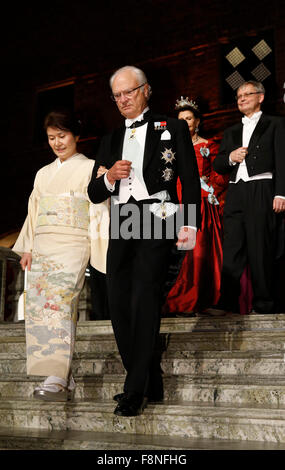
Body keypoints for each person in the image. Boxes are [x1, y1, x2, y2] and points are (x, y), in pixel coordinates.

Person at [88, 65, 201, 416]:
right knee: (117, 300)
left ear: (146, 91)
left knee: (145, 297)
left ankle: (133, 389)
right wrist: (108, 178)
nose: (123, 100)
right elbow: (93, 193)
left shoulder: (173, 127)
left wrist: (190, 224)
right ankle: (147, 378)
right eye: (117, 95)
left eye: (129, 92)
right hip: (123, 219)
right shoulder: (109, 140)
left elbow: (190, 179)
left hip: (159, 214)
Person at [13, 109, 109, 401]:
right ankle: (57, 374)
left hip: (73, 242)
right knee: (42, 303)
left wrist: (100, 245)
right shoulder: (43, 173)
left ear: (76, 135)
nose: (57, 142)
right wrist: (28, 246)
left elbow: (99, 207)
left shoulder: (92, 167)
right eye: (51, 137)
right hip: (44, 244)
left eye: (62, 135)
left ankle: (57, 375)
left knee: (61, 300)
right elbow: (34, 212)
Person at [213, 80, 285, 314]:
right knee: (232, 247)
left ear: (261, 97)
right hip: (236, 191)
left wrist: (281, 192)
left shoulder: (275, 124)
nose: (241, 99)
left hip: (262, 188)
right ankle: (228, 303)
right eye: (238, 96)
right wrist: (231, 157)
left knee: (260, 247)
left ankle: (264, 303)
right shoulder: (231, 131)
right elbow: (219, 164)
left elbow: (282, 160)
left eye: (247, 94)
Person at [163, 97, 228, 316]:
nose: (185, 123)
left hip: (199, 202)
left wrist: (212, 192)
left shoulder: (208, 146)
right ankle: (175, 297)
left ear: (197, 121)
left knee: (198, 250)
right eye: (181, 120)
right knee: (174, 251)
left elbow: (219, 176)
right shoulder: (169, 149)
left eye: (189, 119)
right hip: (175, 202)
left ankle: (197, 297)